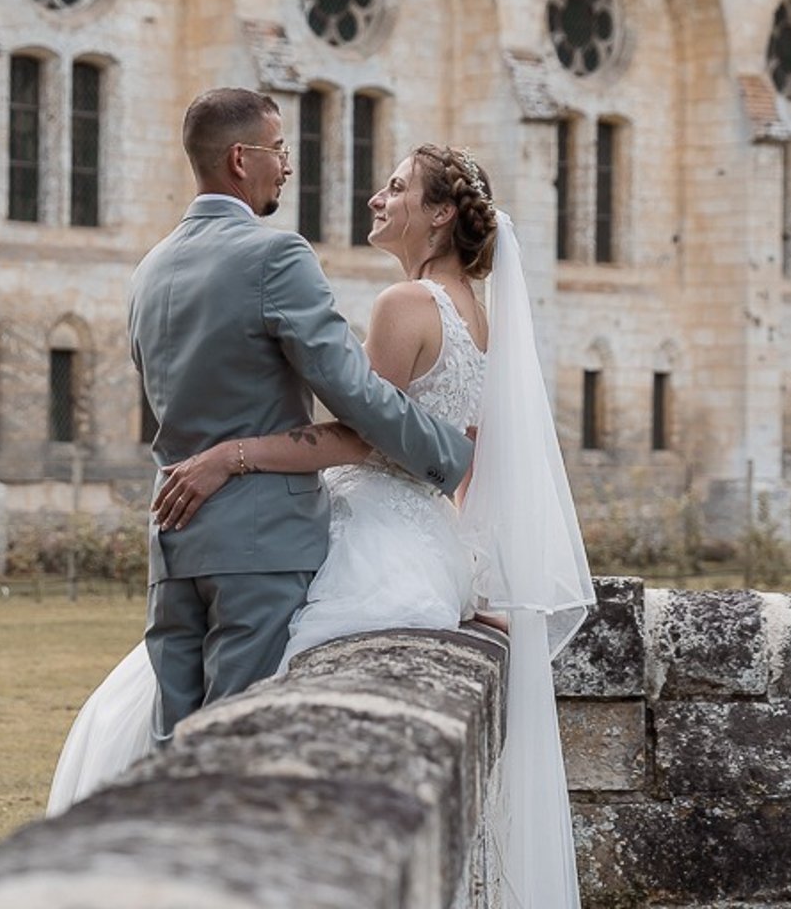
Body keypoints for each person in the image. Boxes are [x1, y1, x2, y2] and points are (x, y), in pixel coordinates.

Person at [49, 142, 595, 908]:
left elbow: (360, 434)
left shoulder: (405, 306)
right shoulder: (480, 313)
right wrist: (466, 569)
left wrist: (231, 456)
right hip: (429, 540)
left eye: (397, 187)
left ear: (440, 215)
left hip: (372, 524)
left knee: (199, 694)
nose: (377, 198)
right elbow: (468, 458)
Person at [124, 90, 474, 749]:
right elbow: (351, 390)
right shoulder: (275, 257)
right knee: (234, 749)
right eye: (279, 149)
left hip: (172, 539)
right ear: (240, 158)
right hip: (259, 542)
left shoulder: (149, 269)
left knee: (171, 754)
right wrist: (444, 452)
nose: (287, 165)